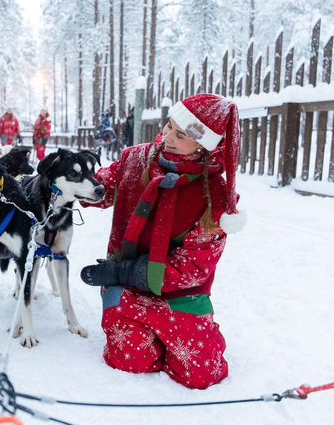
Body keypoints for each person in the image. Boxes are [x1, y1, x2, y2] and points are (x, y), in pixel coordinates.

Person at [80, 93, 245, 390]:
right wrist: (70, 184)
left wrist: (124, 271)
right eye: (168, 126)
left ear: (203, 145)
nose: (167, 137)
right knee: (130, 361)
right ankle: (133, 322)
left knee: (202, 374)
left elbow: (193, 267)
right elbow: (101, 188)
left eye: (180, 135)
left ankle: (187, 333)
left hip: (179, 295)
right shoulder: (136, 159)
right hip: (127, 291)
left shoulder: (216, 199)